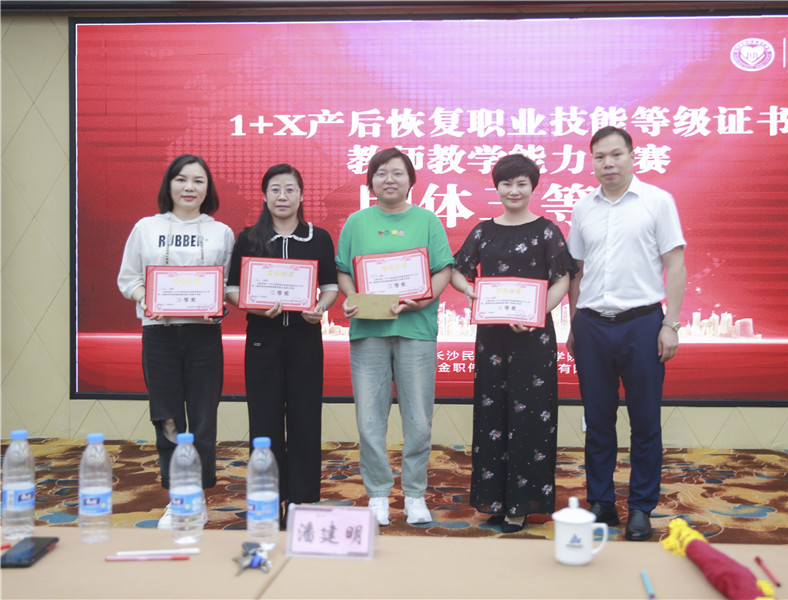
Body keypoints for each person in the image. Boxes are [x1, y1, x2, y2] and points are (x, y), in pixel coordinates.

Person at [566, 126, 686, 541]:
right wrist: (573, 322)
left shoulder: (657, 201)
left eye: (616, 154)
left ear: (633, 156)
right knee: (597, 421)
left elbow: (675, 264)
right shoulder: (583, 207)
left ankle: (640, 508)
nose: (608, 163)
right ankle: (602, 502)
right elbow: (577, 272)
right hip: (591, 325)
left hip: (642, 324)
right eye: (600, 157)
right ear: (592, 162)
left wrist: (670, 324)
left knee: (645, 422)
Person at [450, 154, 577, 533]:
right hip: (492, 338)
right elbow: (457, 271)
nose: (514, 190)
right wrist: (472, 293)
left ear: (533, 186)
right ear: (497, 187)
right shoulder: (483, 231)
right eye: (507, 183)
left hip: (533, 337)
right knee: (492, 413)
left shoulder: (547, 231)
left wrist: (538, 311)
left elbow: (562, 279)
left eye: (522, 183)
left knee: (530, 416)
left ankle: (521, 504)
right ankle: (494, 499)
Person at [335, 148, 453, 526]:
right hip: (369, 330)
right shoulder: (357, 222)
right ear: (370, 181)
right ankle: (378, 494)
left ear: (410, 180)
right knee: (370, 419)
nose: (389, 180)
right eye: (381, 173)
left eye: (398, 173)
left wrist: (423, 301)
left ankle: (415, 494)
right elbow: (343, 271)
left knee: (418, 418)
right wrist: (353, 298)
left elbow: (443, 271)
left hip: (415, 329)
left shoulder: (427, 220)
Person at [117, 154, 235, 528]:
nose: (189, 187)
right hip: (159, 335)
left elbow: (227, 286)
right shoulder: (146, 228)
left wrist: (218, 306)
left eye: (198, 181)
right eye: (181, 179)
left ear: (208, 189)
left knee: (202, 418)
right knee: (167, 417)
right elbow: (129, 279)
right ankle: (177, 497)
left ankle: (197, 497)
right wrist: (148, 299)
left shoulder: (221, 232)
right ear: (169, 184)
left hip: (203, 336)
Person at [225, 164, 338, 518]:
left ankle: (302, 499)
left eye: (290, 189)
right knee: (264, 420)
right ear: (264, 195)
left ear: (301, 195)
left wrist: (320, 307)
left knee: (306, 419)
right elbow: (231, 289)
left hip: (305, 339)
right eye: (275, 189)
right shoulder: (248, 239)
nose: (282, 196)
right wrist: (255, 307)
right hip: (263, 339)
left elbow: (330, 286)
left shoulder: (318, 238)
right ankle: (268, 500)